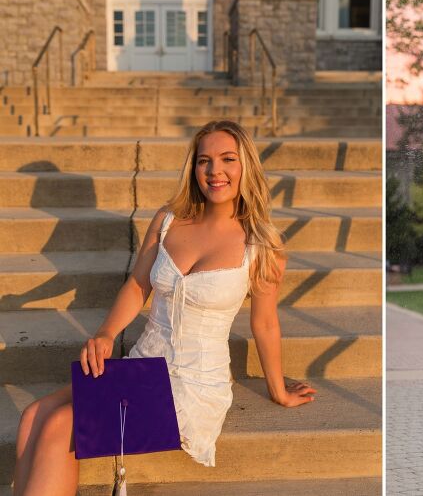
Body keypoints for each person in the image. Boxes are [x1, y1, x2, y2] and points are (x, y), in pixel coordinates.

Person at [13, 120, 316, 496]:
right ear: (194, 167)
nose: (215, 171)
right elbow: (137, 285)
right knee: (34, 416)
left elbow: (265, 323)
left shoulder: (261, 245)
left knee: (61, 423)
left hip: (193, 384)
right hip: (143, 364)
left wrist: (278, 390)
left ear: (247, 166)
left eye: (228, 159)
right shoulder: (168, 220)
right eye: (204, 161)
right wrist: (106, 334)